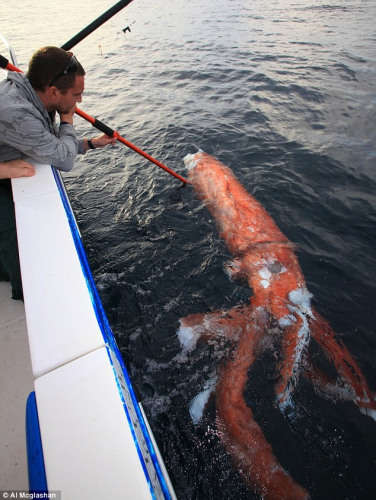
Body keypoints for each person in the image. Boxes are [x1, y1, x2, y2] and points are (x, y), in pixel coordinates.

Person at [0, 46, 116, 300]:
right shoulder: (18, 112)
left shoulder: (33, 98)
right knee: (21, 256)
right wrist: (67, 120)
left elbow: (51, 145)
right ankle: (31, 298)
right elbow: (63, 160)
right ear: (53, 91)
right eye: (76, 94)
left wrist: (90, 144)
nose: (80, 102)